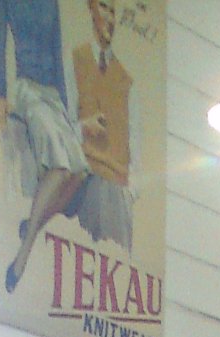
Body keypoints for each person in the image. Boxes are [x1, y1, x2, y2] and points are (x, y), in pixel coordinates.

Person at [0, 0, 88, 292]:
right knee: (59, 167)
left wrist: (67, 111)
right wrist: (0, 92)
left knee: (79, 171)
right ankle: (22, 257)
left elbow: (57, 52)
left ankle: (32, 224)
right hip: (27, 89)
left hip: (53, 95)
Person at [69, 0, 135, 250]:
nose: (109, 18)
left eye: (113, 12)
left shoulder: (126, 80)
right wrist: (83, 127)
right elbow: (64, 127)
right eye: (104, 7)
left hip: (117, 189)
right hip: (84, 180)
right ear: (91, 8)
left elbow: (136, 145)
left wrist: (129, 192)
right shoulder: (75, 61)